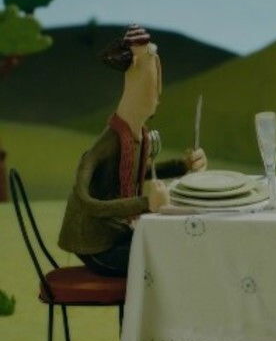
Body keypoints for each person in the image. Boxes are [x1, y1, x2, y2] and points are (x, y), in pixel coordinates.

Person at [58, 25, 207, 277]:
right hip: (96, 246)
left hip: (117, 233)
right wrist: (146, 203)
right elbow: (87, 203)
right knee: (164, 258)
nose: (156, 97)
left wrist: (183, 165)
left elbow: (139, 172)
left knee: (170, 246)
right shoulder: (105, 147)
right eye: (151, 86)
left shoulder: (138, 136)